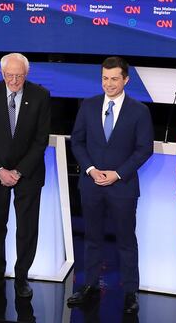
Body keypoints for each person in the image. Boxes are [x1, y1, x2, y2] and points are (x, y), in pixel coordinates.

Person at [67, 56, 154, 314]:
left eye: (114, 78)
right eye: (105, 78)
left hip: (122, 187)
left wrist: (117, 174)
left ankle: (130, 293)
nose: (109, 83)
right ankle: (90, 287)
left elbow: (144, 149)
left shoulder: (139, 110)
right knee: (91, 238)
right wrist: (91, 170)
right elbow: (78, 141)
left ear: (126, 79)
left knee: (126, 241)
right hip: (91, 185)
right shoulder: (88, 105)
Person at [0, 53, 51, 298]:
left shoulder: (40, 96)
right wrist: (0, 169)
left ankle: (21, 278)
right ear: (2, 73)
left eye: (19, 76)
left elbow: (41, 141)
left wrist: (18, 171)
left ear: (26, 74)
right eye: (10, 75)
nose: (15, 80)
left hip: (27, 174)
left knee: (27, 228)